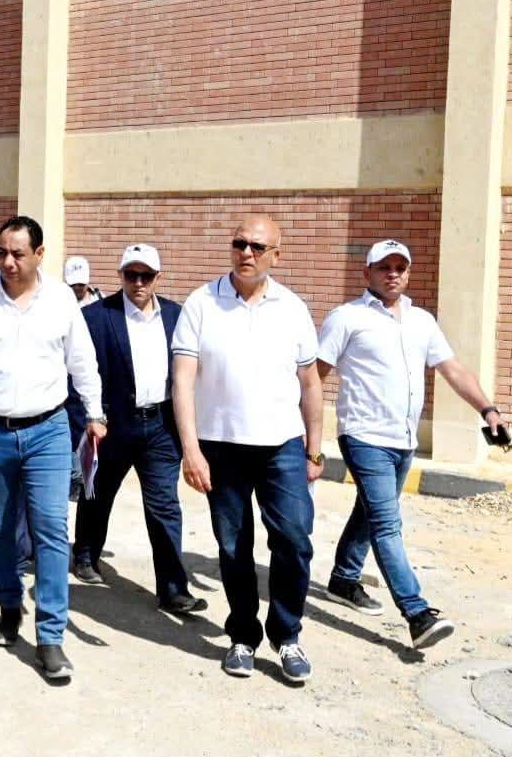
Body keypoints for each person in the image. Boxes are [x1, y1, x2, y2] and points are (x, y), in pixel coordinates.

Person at [0, 215, 105, 681]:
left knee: (51, 527)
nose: (8, 263)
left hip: (48, 430)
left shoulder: (61, 301)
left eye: (19, 254)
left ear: (40, 254)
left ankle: (50, 636)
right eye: (2, 253)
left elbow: (82, 361)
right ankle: (9, 604)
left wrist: (96, 413)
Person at [317, 239, 505, 650]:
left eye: (399, 267)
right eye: (383, 267)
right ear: (366, 273)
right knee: (387, 523)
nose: (392, 274)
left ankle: (343, 579)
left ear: (407, 273)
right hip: (363, 435)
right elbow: (315, 375)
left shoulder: (422, 321)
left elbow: (452, 369)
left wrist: (487, 409)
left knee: (371, 511)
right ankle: (417, 614)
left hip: (404, 439)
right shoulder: (346, 318)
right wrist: (305, 433)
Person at [171, 214, 323, 685]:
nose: (247, 253)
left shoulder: (292, 308)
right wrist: (191, 449)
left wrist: (315, 449)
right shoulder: (201, 303)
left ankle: (287, 634)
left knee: (294, 539)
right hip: (221, 447)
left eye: (258, 246)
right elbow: (182, 381)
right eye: (239, 243)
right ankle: (243, 636)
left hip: (282, 446)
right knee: (234, 546)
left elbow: (310, 382)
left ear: (276, 254)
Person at [66, 243, 207, 613]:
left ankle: (173, 589)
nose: (139, 282)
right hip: (112, 424)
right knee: (98, 494)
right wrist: (86, 422)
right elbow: (77, 374)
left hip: (160, 426)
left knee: (164, 505)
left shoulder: (176, 316)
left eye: (146, 275)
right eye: (131, 274)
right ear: (121, 276)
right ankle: (86, 553)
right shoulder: (97, 316)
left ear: (158, 278)